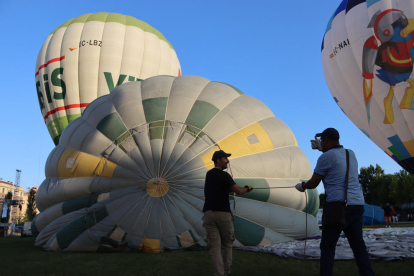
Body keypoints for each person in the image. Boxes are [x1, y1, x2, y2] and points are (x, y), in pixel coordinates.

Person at [295, 128, 375, 276]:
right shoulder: (350, 153)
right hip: (357, 205)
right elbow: (337, 162)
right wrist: (323, 151)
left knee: (328, 247)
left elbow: (313, 183)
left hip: (337, 208)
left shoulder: (325, 157)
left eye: (322, 141)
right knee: (358, 246)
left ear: (325, 139)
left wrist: (302, 186)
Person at [203, 150, 253, 276]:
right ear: (218, 160)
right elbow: (239, 191)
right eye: (225, 158)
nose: (228, 161)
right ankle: (226, 271)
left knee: (214, 248)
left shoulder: (209, 174)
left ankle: (219, 274)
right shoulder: (225, 175)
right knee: (227, 244)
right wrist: (247, 188)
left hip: (208, 214)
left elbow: (217, 189)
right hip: (223, 214)